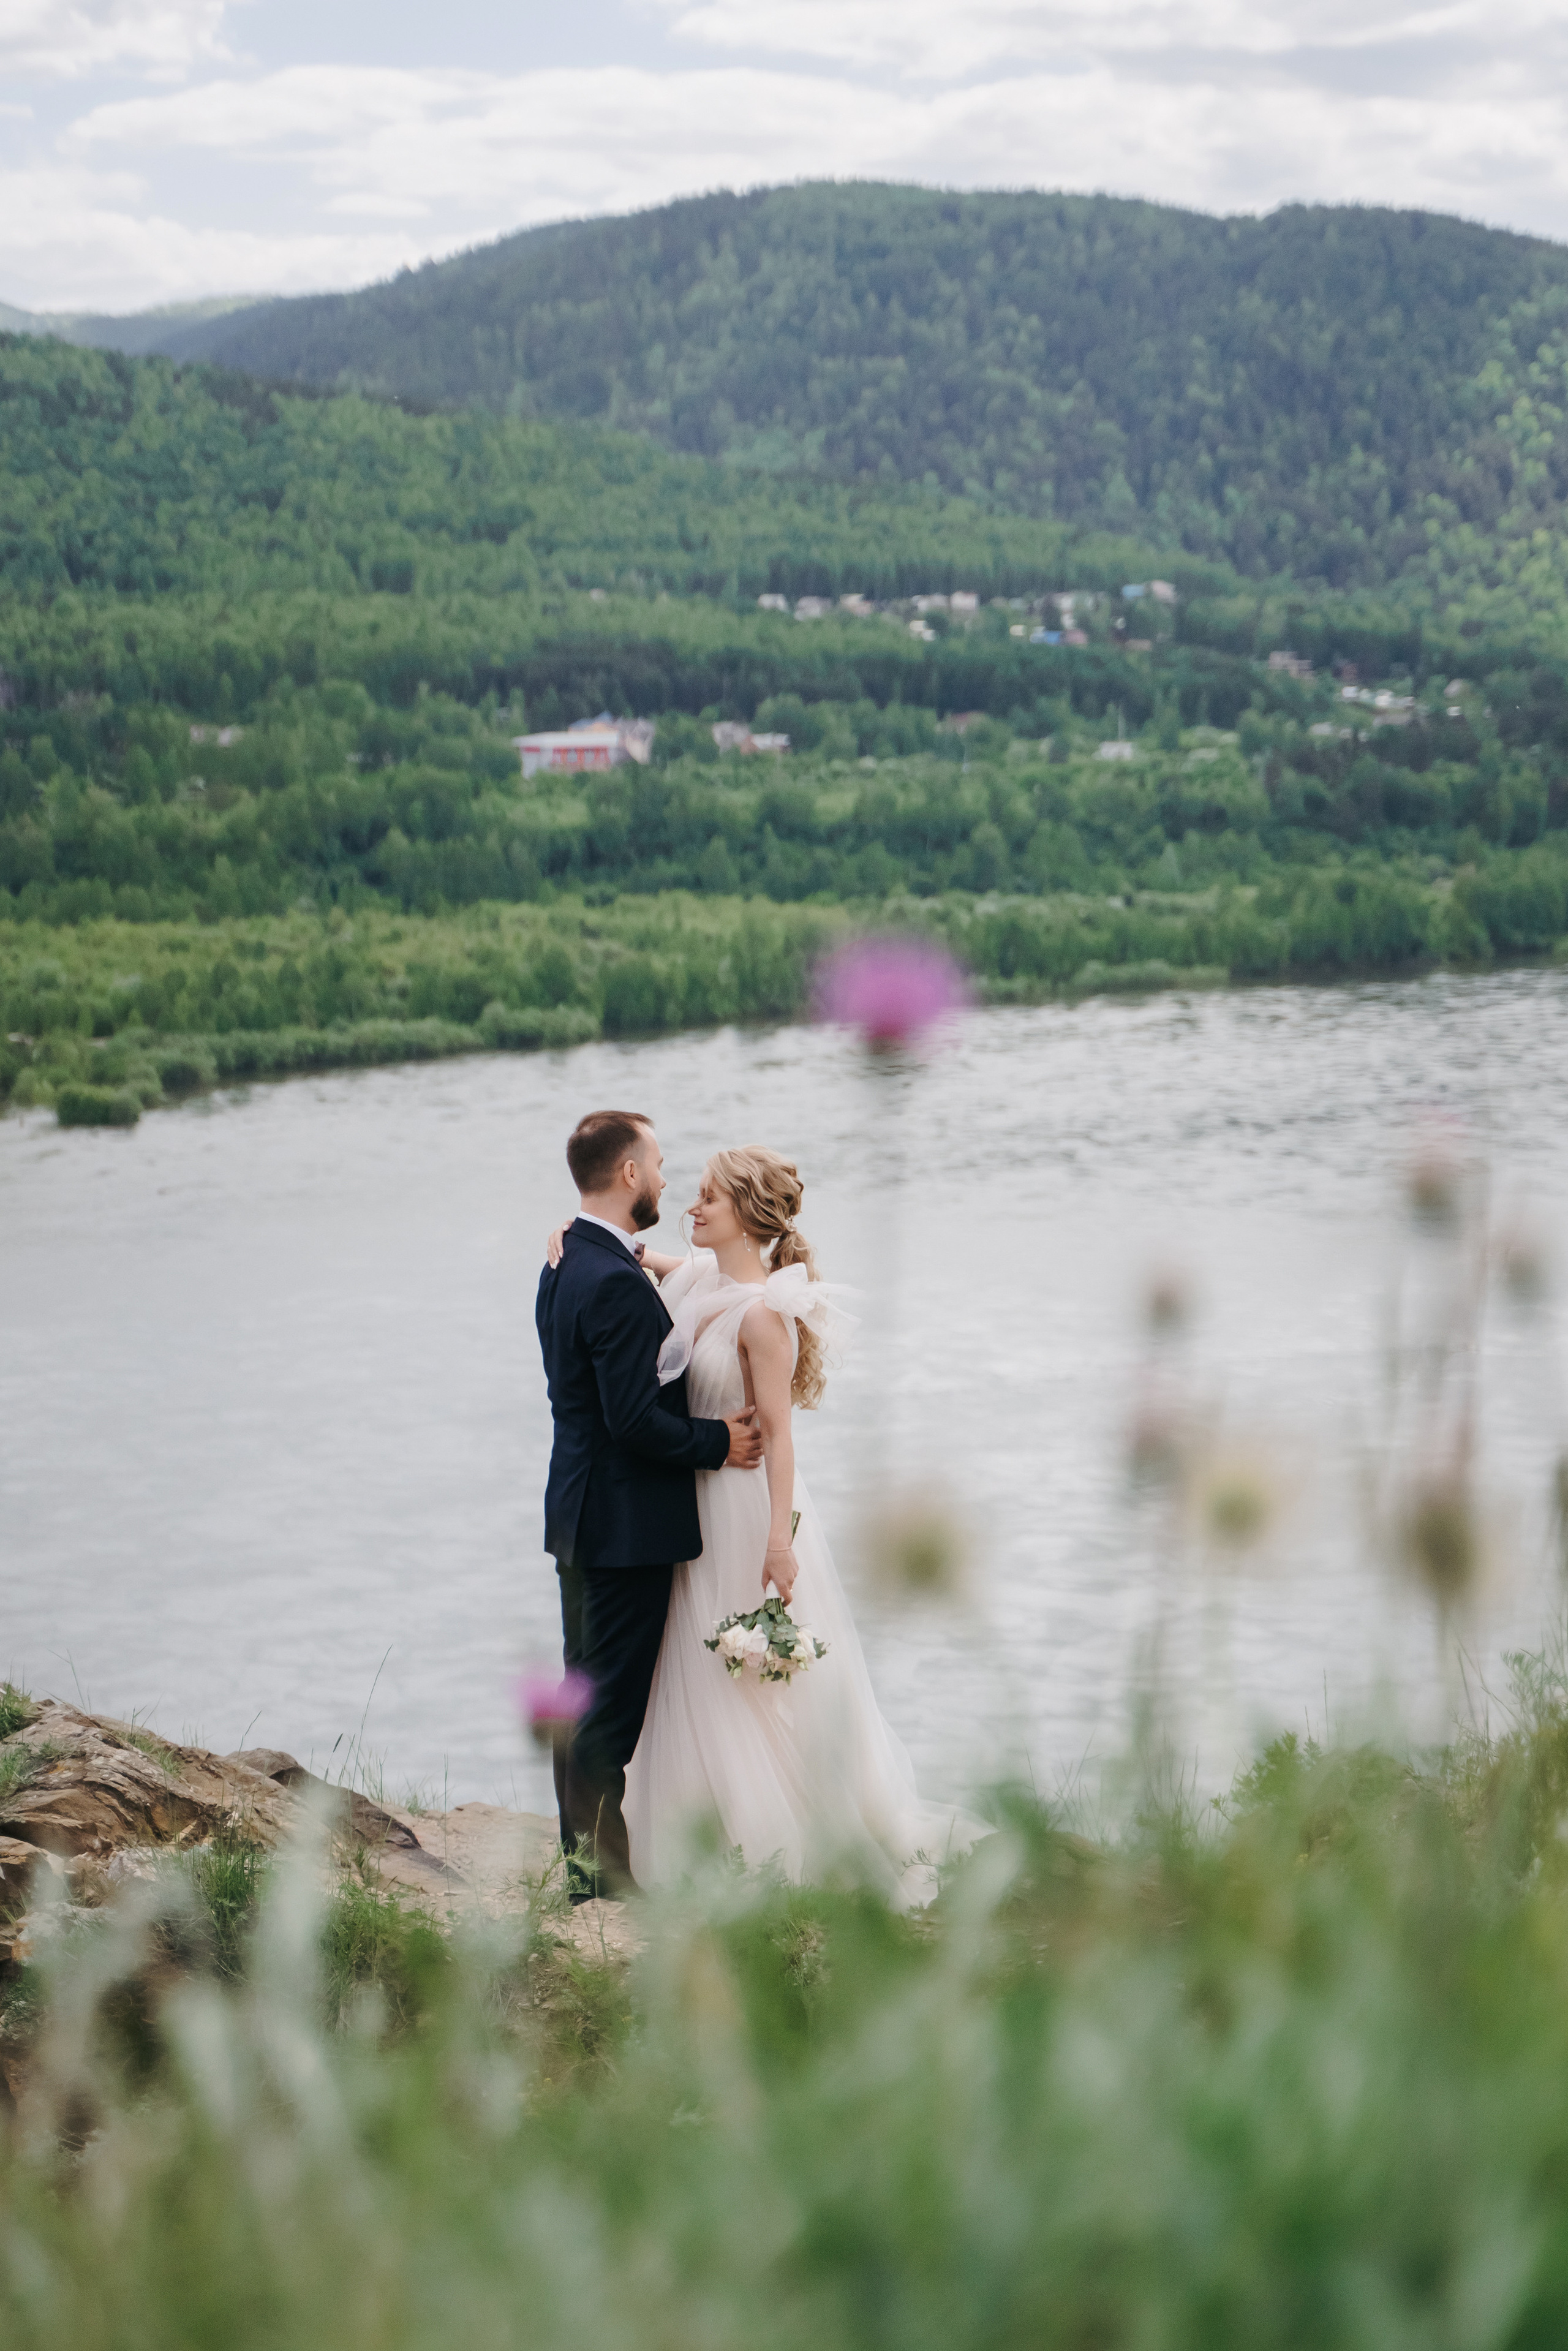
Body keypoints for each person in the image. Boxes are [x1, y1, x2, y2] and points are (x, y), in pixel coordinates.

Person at [546, 1142, 979, 1908]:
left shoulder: (762, 1316)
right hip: (688, 1510)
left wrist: (779, 1542)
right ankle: (675, 1833)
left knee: (743, 1675)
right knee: (687, 1670)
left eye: (709, 1197)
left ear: (745, 1213)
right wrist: (570, 1234)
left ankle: (776, 1836)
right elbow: (637, 1256)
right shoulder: (705, 1278)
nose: (693, 1205)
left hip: (744, 1511)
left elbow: (780, 1438)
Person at [535, 1109, 764, 1900]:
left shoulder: (566, 1265)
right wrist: (717, 1443)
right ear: (628, 1173)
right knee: (611, 1715)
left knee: (582, 1698)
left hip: (578, 1515)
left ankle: (585, 1868)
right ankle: (601, 1885)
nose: (667, 1179)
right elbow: (633, 1420)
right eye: (660, 1164)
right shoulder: (612, 1285)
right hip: (625, 1530)